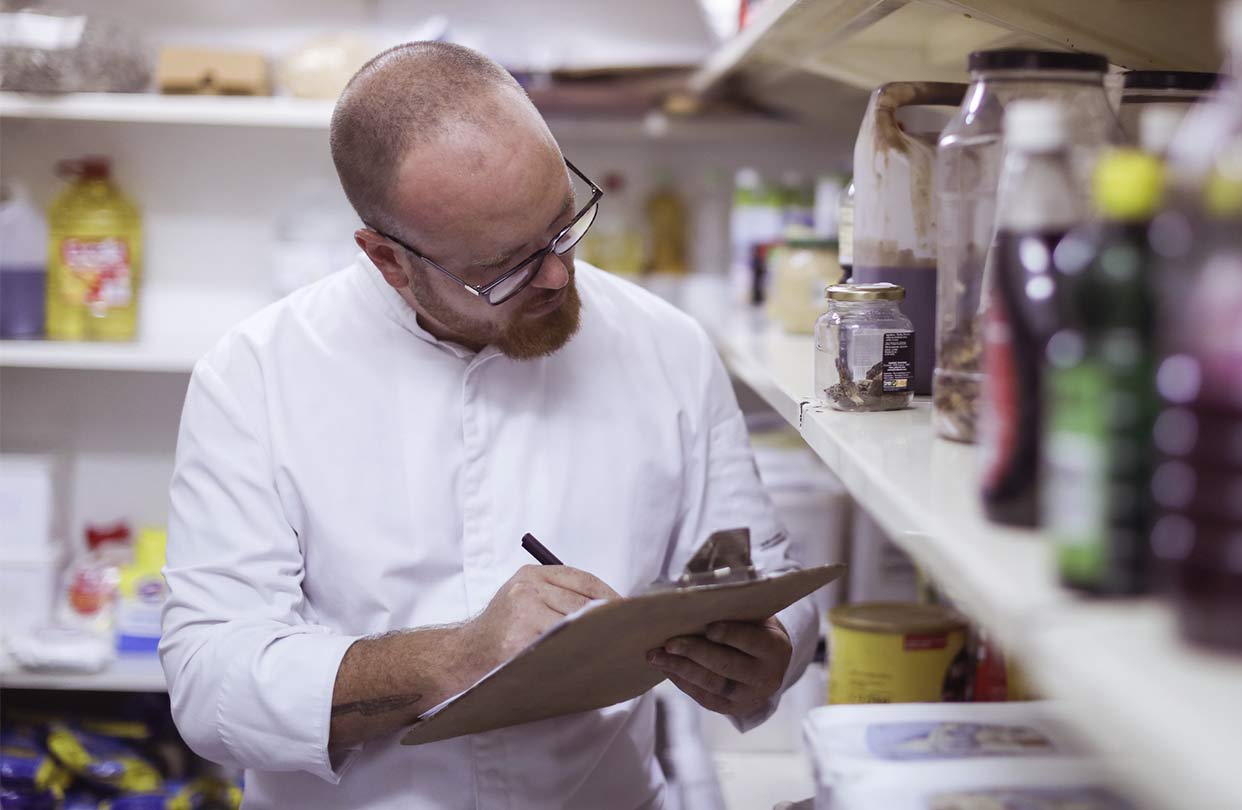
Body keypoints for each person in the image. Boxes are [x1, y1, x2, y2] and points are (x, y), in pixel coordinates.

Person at [160, 41, 819, 809]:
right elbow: (211, 683)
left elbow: (759, 573)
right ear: (389, 261)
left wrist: (766, 654)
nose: (558, 275)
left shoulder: (666, 346)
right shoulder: (256, 376)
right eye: (505, 266)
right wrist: (456, 658)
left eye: (563, 225)